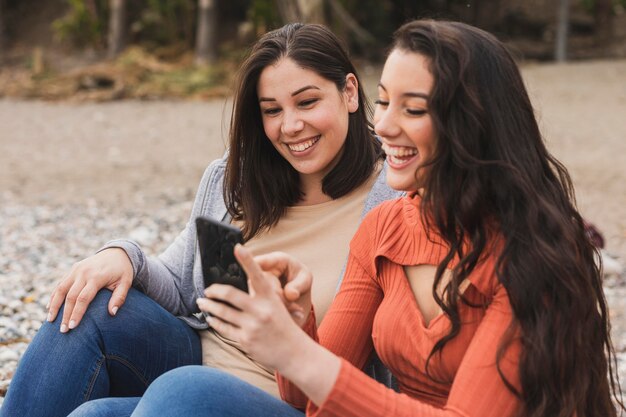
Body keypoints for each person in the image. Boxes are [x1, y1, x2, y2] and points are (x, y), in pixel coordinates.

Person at [127, 19, 624, 417]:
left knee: (184, 392)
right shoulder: (386, 226)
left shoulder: (529, 259)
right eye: (383, 101)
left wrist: (294, 351)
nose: (383, 125)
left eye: (412, 109)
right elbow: (305, 401)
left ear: (473, 124)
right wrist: (297, 322)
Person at [0, 23, 401, 417]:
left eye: (307, 102)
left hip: (290, 402)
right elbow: (178, 283)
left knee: (159, 397)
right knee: (90, 306)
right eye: (272, 110)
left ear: (349, 92)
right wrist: (124, 256)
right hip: (192, 363)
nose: (290, 125)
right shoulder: (239, 179)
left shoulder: (394, 195)